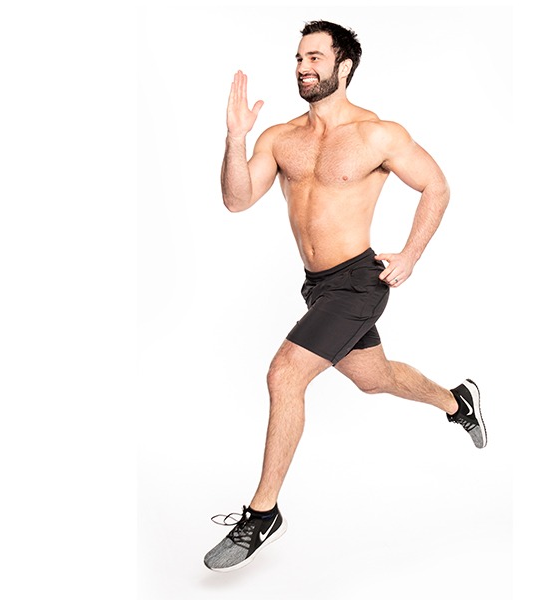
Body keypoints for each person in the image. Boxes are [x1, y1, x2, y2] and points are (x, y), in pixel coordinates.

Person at [204, 20, 486, 572]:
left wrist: (409, 254)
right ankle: (459, 402)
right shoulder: (280, 138)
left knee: (285, 373)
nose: (303, 67)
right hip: (317, 288)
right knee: (373, 378)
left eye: (315, 57)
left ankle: (262, 514)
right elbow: (236, 200)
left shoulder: (377, 135)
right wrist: (235, 137)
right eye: (298, 58)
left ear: (344, 66)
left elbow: (437, 185)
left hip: (359, 281)